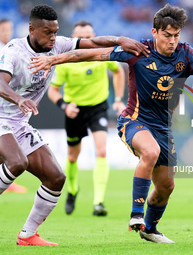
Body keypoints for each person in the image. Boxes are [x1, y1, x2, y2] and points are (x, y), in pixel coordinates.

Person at [29, 4, 193, 244]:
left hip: (163, 128)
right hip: (134, 120)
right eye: (167, 35)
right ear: (155, 32)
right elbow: (91, 54)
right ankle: (137, 216)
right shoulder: (138, 51)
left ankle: (151, 229)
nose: (172, 41)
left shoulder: (186, 54)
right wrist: (54, 60)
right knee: (150, 151)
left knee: (166, 186)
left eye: (176, 35)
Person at [0, 4, 149, 246]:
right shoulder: (14, 50)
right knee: (17, 162)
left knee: (56, 178)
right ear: (32, 30)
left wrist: (121, 39)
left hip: (19, 123)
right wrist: (19, 99)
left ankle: (27, 235)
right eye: (47, 32)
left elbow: (91, 43)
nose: (53, 37)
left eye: (55, 32)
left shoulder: (57, 45)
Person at [48, 20, 126, 216]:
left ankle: (98, 201)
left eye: (90, 37)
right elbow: (53, 91)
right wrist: (64, 106)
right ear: (74, 39)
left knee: (101, 151)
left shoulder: (102, 54)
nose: (87, 40)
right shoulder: (66, 61)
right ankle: (72, 190)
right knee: (73, 156)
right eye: (82, 38)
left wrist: (117, 99)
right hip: (75, 111)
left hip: (98, 108)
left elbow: (118, 72)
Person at [0, 19, 27, 194]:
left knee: (10, 144)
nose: (6, 32)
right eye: (3, 29)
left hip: (7, 103)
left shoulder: (10, 47)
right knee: (8, 143)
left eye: (9, 29)